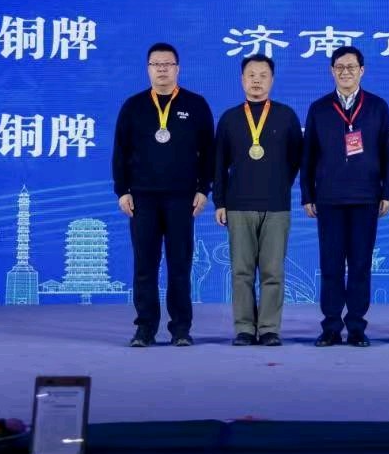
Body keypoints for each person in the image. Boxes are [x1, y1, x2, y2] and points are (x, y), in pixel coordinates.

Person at [112, 42, 214, 348]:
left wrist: (203, 189)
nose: (162, 69)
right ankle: (145, 329)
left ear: (177, 68)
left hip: (182, 198)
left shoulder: (196, 105)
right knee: (145, 266)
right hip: (142, 198)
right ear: (148, 69)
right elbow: (120, 152)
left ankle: (181, 329)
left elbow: (209, 152)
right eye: (156, 64)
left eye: (167, 64)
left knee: (179, 266)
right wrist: (122, 191)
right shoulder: (133, 106)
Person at [300, 46, 389, 347]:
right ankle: (330, 326)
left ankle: (356, 327)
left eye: (351, 67)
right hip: (329, 199)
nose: (345, 72)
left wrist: (388, 192)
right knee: (330, 266)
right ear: (332, 71)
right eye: (339, 67)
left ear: (362, 71)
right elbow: (308, 155)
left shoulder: (377, 106)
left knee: (360, 265)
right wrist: (307, 194)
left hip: (366, 198)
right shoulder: (319, 108)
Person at [213, 54, 303, 347]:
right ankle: (243, 328)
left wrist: (279, 184)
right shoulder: (229, 118)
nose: (256, 81)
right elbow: (218, 164)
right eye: (251, 75)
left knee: (272, 272)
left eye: (263, 75)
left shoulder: (286, 116)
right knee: (241, 272)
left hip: (276, 205)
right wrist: (220, 202)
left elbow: (295, 159)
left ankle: (268, 329)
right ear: (242, 80)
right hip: (238, 205)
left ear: (272, 80)